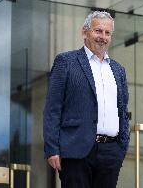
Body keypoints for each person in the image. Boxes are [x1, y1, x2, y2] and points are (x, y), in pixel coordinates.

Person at [43, 11, 130, 188]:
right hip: (75, 150)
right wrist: (52, 148)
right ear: (85, 32)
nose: (103, 37)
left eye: (107, 33)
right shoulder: (66, 62)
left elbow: (122, 111)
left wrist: (122, 147)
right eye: (98, 31)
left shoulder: (118, 70)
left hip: (110, 153)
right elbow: (53, 108)